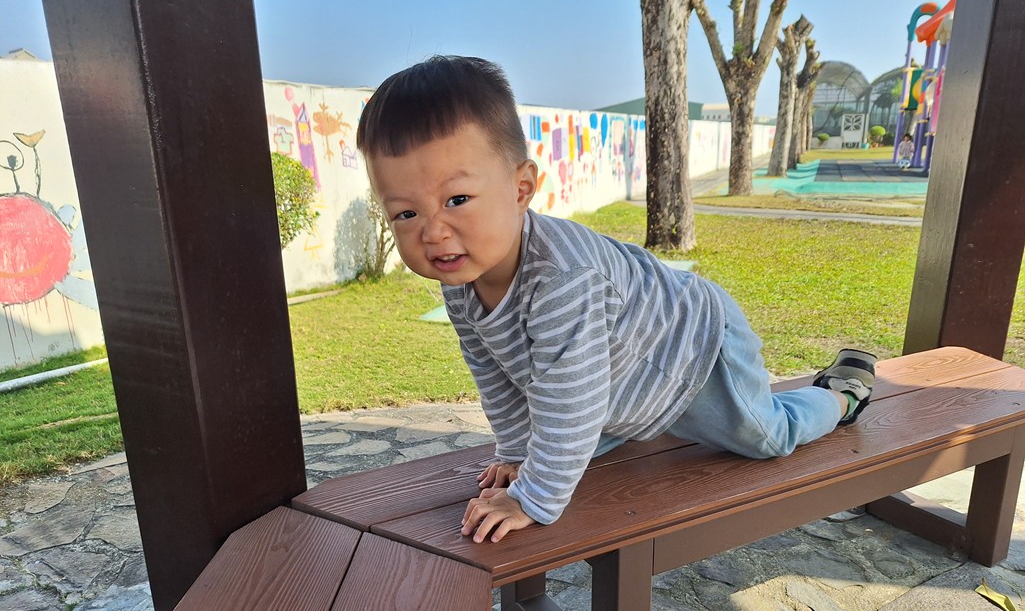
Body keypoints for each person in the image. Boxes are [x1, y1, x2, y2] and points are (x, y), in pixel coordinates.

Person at [355, 55, 876, 544]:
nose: (433, 232)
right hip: (624, 381)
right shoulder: (460, 277)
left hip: (694, 348)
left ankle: (841, 394)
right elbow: (493, 372)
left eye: (457, 200)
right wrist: (516, 454)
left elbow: (570, 403)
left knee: (769, 437)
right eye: (406, 213)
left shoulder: (562, 280)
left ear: (521, 189)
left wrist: (530, 500)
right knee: (570, 443)